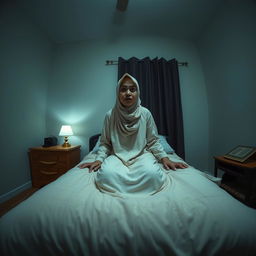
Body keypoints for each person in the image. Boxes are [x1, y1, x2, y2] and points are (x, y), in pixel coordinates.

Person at [79, 73, 188, 196]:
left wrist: (165, 158)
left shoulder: (145, 113)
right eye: (123, 89)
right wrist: (99, 160)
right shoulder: (110, 115)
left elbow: (153, 141)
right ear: (117, 93)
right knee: (105, 176)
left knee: (153, 175)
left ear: (138, 93)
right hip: (117, 156)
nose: (128, 93)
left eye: (133, 89)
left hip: (142, 155)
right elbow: (105, 143)